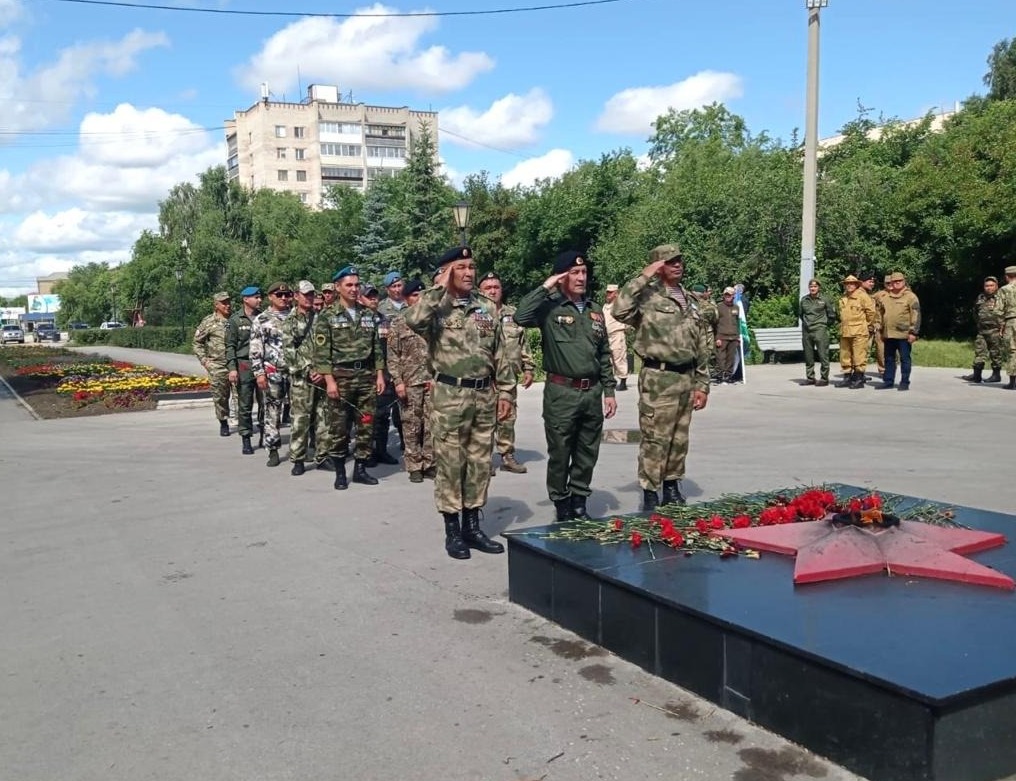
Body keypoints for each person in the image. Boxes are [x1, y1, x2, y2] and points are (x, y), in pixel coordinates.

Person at [404, 246, 515, 560]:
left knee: (480, 465)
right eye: (461, 267)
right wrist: (440, 285)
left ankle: (472, 526)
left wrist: (506, 392)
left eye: (471, 267)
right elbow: (412, 319)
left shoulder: (486, 307)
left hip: (483, 396)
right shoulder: (437, 306)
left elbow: (501, 353)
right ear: (448, 271)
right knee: (452, 465)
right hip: (450, 397)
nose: (468, 273)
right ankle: (453, 532)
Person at [515, 250, 617, 523]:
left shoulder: (595, 311)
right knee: (560, 452)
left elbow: (604, 353)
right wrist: (546, 287)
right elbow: (520, 316)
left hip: (591, 391)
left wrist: (609, 391)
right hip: (561, 393)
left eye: (583, 272)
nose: (581, 277)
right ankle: (561, 502)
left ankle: (580, 501)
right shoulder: (550, 308)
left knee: (587, 451)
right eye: (574, 272)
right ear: (561, 277)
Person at [612, 244, 710, 511]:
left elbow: (701, 343)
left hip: (686, 378)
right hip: (658, 377)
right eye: (670, 262)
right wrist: (643, 277)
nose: (677, 265)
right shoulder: (646, 297)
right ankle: (650, 491)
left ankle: (671, 486)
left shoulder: (689, 299)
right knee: (655, 439)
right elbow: (618, 310)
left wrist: (703, 384)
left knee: (679, 439)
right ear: (658, 267)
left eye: (679, 260)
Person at [312, 267, 385, 489]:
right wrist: (330, 381)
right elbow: (322, 352)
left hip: (365, 377)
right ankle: (341, 472)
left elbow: (377, 349)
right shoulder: (327, 316)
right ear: (338, 287)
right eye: (349, 285)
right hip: (341, 378)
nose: (354, 289)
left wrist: (380, 375)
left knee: (366, 424)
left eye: (356, 285)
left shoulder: (368, 315)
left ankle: (361, 469)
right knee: (339, 428)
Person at [478, 271, 535, 475]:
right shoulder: (477, 314)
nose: (493, 291)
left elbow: (522, 342)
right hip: (484, 379)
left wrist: (528, 367)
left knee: (507, 417)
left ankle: (507, 455)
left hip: (509, 376)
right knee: (484, 420)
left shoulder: (512, 314)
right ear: (480, 291)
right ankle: (484, 460)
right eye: (488, 288)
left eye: (496, 287)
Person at [387, 279, 434, 482]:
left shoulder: (433, 320)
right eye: (415, 295)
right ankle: (414, 464)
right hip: (409, 381)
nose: (419, 298)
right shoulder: (399, 323)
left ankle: (430, 463)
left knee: (432, 425)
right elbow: (392, 355)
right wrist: (398, 381)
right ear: (406, 298)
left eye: (422, 295)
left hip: (432, 380)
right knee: (411, 425)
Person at [282, 281, 328, 475]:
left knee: (323, 418)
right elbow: (288, 351)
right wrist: (308, 369)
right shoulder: (290, 321)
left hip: (322, 377)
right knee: (300, 420)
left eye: (311, 295)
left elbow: (327, 347)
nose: (309, 298)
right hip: (302, 379)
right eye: (306, 294)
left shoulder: (320, 318)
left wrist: (324, 370)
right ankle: (298, 459)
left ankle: (323, 457)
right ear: (296, 296)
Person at [250, 281, 292, 466]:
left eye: (287, 295)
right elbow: (255, 349)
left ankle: (300, 448)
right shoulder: (261, 319)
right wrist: (259, 373)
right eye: (279, 295)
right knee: (272, 412)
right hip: (273, 372)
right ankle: (273, 449)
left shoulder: (296, 316)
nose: (283, 298)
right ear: (270, 297)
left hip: (296, 372)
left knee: (299, 411)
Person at [358, 284, 400, 467]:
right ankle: (366, 452)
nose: (373, 299)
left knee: (383, 415)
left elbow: (391, 348)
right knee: (366, 416)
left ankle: (381, 450)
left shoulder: (384, 320)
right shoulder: (358, 319)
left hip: (385, 374)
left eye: (375, 296)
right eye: (369, 296)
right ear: (361, 299)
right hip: (365, 375)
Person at [226, 285, 262, 454]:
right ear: (246, 299)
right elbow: (230, 346)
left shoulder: (262, 318)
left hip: (262, 364)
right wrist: (232, 368)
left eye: (260, 297)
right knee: (245, 403)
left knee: (265, 402)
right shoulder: (235, 320)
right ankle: (246, 438)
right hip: (244, 365)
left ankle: (265, 433)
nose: (259, 300)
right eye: (256, 297)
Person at [192, 291, 233, 437]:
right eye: (224, 303)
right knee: (220, 395)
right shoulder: (209, 322)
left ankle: (243, 422)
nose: (227, 305)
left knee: (242, 395)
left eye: (228, 302)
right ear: (216, 305)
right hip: (217, 365)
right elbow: (197, 342)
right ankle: (223, 422)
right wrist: (204, 360)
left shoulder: (236, 319)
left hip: (235, 364)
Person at [875, 271, 920, 391]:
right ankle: (888, 381)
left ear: (904, 282)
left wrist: (913, 332)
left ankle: (905, 382)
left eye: (899, 281)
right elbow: (879, 313)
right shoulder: (885, 297)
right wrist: (879, 327)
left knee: (905, 359)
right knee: (889, 358)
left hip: (904, 334)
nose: (896, 283)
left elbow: (916, 315)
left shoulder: (910, 297)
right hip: (888, 334)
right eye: (894, 281)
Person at [837, 274, 877, 389]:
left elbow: (871, 313)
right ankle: (847, 377)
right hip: (845, 330)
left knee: (859, 356)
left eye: (852, 283)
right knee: (845, 355)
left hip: (859, 331)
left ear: (856, 284)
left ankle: (859, 379)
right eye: (847, 284)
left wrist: (867, 325)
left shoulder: (862, 296)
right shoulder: (844, 297)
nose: (849, 285)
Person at [964, 276, 1006, 383]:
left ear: (996, 286)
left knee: (995, 353)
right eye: (987, 286)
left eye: (991, 285)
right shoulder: (980, 298)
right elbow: (975, 312)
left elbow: (1006, 313)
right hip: (982, 331)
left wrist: (1003, 328)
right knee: (979, 352)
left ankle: (996, 375)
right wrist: (979, 324)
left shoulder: (1001, 298)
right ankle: (976, 375)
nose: (989, 288)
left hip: (996, 330)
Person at [799, 279, 836, 386]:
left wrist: (823, 325)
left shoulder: (824, 299)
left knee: (823, 354)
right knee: (808, 355)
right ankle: (810, 377)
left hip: (820, 329)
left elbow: (832, 315)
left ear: (819, 287)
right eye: (811, 287)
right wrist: (807, 323)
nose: (813, 288)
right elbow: (801, 314)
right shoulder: (804, 300)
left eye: (815, 287)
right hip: (807, 330)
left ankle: (824, 378)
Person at [602, 284, 630, 391]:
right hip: (607, 335)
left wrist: (625, 329)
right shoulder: (606, 306)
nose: (608, 294)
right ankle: (611, 380)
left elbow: (627, 318)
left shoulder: (620, 305)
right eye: (607, 292)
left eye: (610, 292)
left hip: (617, 334)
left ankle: (623, 380)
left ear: (616, 293)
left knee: (619, 357)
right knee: (608, 359)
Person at [862, 271, 888, 376]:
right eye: (887, 283)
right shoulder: (878, 294)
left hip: (885, 326)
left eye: (891, 283)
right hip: (873, 325)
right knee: (865, 349)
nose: (890, 285)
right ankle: (860, 372)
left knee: (884, 350)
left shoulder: (899, 296)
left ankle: (885, 370)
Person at [714, 287, 740, 383]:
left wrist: (738, 337)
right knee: (720, 358)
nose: (728, 297)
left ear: (733, 296)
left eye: (730, 295)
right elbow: (714, 324)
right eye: (726, 295)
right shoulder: (718, 307)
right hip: (722, 336)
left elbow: (738, 323)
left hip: (733, 337)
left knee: (731, 358)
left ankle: (728, 375)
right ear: (723, 296)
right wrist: (717, 337)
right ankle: (720, 375)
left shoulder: (736, 307)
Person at [1001, 266, 1016, 389]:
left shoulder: (1004, 289)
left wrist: (1000, 325)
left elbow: (998, 311)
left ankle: (1012, 382)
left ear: (1007, 276)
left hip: (1011, 321)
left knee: (1012, 351)